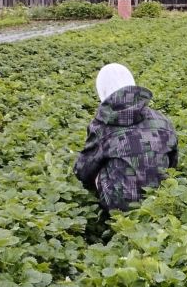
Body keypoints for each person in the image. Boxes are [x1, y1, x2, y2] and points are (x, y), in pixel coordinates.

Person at [74, 63, 178, 214]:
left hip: (121, 207)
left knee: (97, 166)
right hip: (160, 198)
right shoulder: (161, 119)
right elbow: (173, 161)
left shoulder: (102, 126)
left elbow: (83, 171)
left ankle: (110, 215)